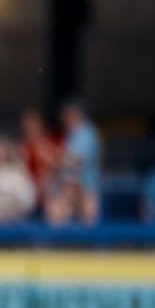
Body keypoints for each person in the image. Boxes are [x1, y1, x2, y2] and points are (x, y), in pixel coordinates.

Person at [45, 96, 102, 226]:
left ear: (74, 114)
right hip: (72, 185)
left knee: (88, 223)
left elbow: (76, 161)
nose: (62, 118)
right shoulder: (73, 134)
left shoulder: (85, 131)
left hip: (85, 187)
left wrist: (54, 160)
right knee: (56, 210)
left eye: (65, 114)